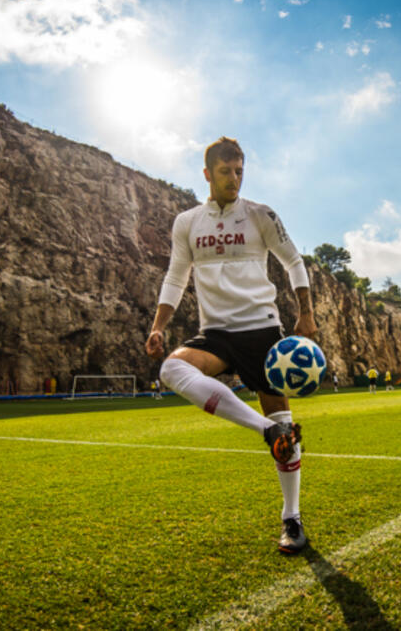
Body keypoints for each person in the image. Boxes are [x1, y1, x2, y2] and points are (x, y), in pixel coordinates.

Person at [145, 137, 317, 555]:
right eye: (225, 172)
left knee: (287, 431)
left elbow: (294, 261)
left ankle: (291, 519)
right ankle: (267, 431)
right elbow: (175, 276)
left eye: (239, 171)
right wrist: (158, 326)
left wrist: (306, 312)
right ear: (207, 174)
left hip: (262, 330)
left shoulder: (260, 215)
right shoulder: (187, 222)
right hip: (218, 332)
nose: (234, 179)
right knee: (171, 369)